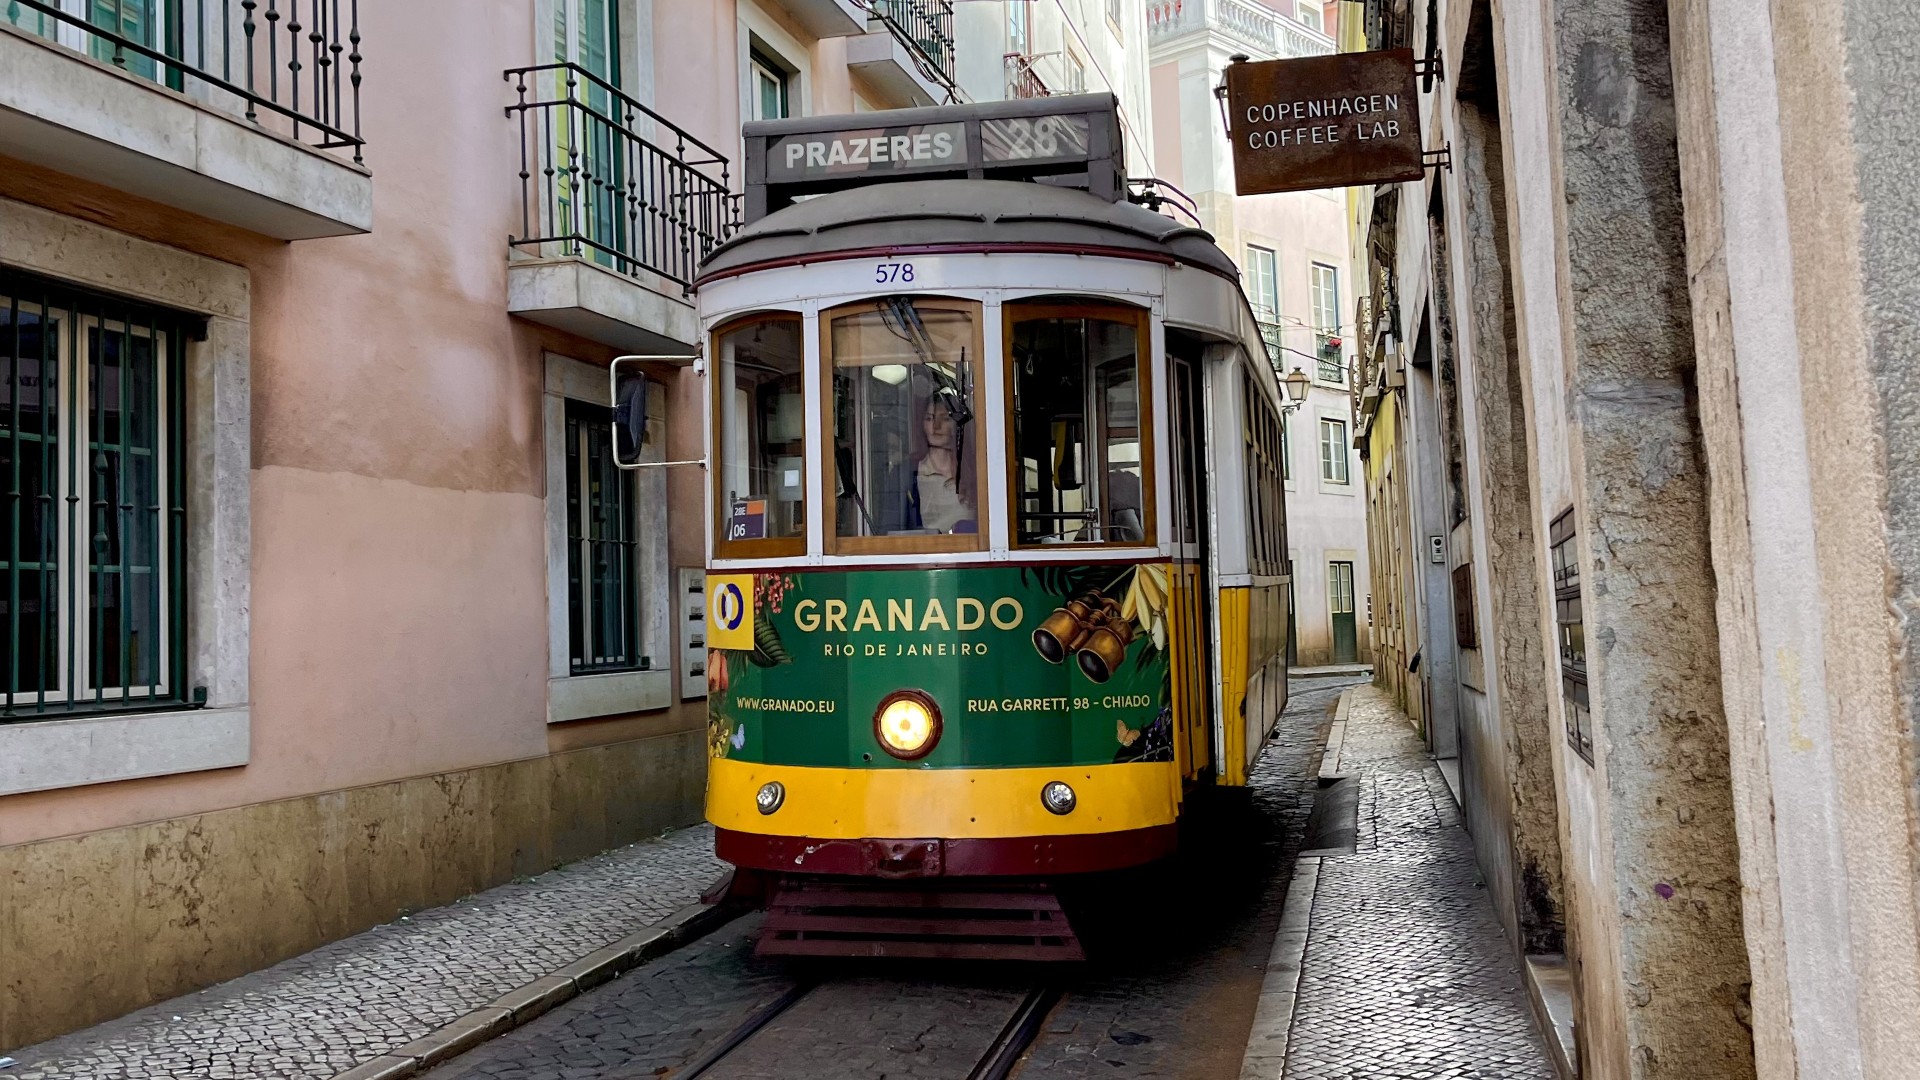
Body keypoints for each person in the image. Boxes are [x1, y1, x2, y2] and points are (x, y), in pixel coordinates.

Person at [903, 394, 976, 533]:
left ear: (957, 424)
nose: (936, 426)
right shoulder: (907, 472)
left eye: (945, 419)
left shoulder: (974, 469)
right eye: (929, 418)